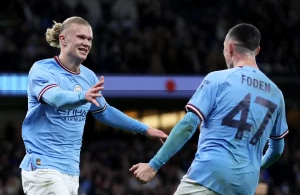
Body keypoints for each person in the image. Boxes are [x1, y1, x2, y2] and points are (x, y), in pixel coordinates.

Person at [130, 23, 288, 195]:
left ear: (229, 47)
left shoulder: (218, 79)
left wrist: (154, 165)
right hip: (246, 185)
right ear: (257, 51)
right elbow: (277, 149)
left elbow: (189, 124)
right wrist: (256, 166)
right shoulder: (276, 94)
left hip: (209, 175)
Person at [20, 16, 168, 195]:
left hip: (71, 171)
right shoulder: (42, 69)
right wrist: (83, 96)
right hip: (42, 167)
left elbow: (105, 113)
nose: (86, 43)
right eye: (81, 37)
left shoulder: (89, 77)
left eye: (89, 39)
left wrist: (145, 129)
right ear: (63, 39)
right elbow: (55, 98)